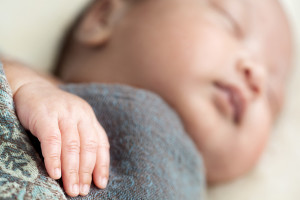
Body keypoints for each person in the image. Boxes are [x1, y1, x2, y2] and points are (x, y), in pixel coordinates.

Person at [1, 0, 292, 197]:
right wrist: (28, 85)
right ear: (105, 18)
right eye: (231, 24)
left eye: (273, 98)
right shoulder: (40, 92)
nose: (257, 77)